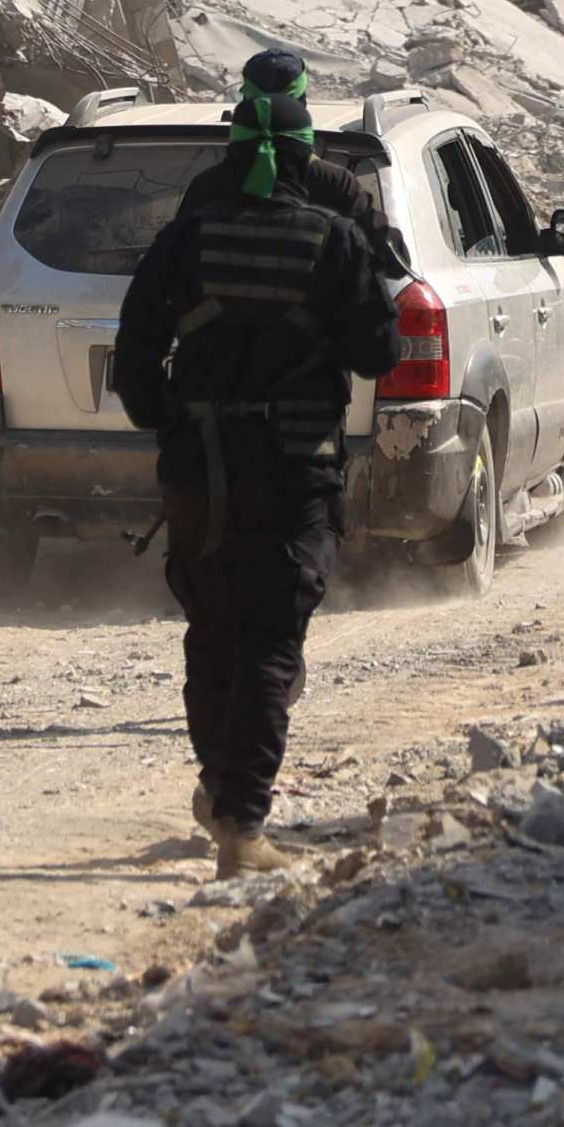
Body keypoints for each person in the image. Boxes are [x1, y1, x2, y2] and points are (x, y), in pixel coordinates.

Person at [110, 50, 406, 879]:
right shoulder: (336, 232)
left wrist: (172, 427)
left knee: (213, 631)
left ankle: (218, 788)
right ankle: (241, 823)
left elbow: (133, 358)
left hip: (199, 467)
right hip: (293, 465)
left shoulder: (190, 231)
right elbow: (379, 351)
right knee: (273, 640)